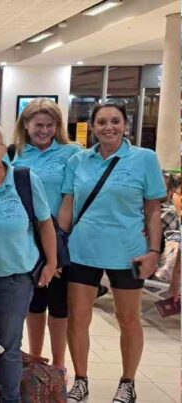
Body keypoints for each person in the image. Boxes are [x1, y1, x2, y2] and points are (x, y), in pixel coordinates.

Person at [60, 101, 165, 403]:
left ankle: (128, 382)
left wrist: (154, 251)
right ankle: (80, 380)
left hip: (129, 253)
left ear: (126, 125)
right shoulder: (78, 161)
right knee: (78, 319)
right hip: (82, 250)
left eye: (115, 121)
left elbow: (153, 210)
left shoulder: (144, 159)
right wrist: (54, 249)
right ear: (92, 127)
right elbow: (68, 205)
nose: (109, 127)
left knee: (128, 319)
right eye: (102, 122)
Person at [0, 123, 58, 402]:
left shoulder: (24, 180)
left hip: (16, 280)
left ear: (3, 148)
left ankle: (9, 398)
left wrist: (51, 263)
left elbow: (45, 225)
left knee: (9, 346)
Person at [8, 98, 82, 373]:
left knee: (59, 305)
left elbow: (68, 198)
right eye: (38, 125)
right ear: (25, 125)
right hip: (24, 241)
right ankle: (36, 360)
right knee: (34, 303)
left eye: (50, 125)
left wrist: (57, 244)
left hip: (56, 238)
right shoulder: (14, 153)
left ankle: (60, 364)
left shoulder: (70, 153)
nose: (44, 130)